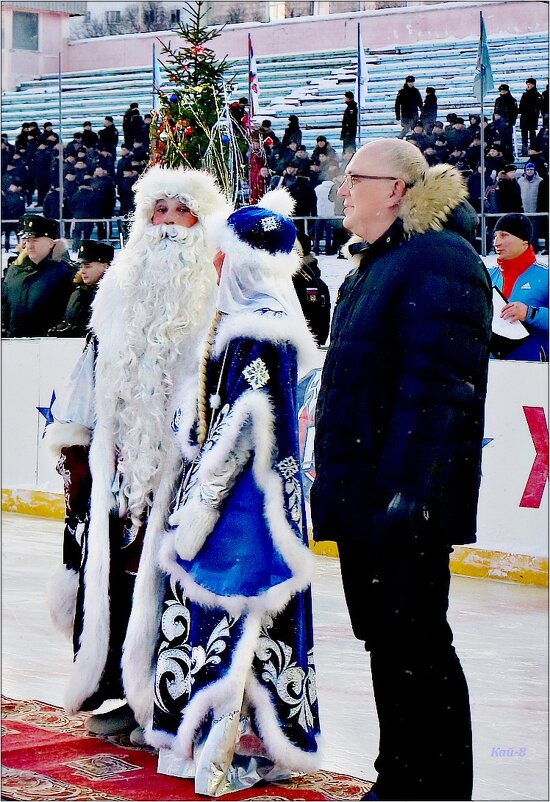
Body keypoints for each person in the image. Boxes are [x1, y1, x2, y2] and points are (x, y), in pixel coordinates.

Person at [311, 139, 492, 801]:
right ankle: (400, 777)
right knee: (388, 644)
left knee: (417, 645)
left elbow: (439, 388)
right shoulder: (374, 265)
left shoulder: (437, 260)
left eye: (355, 178)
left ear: (396, 189)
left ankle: (435, 788)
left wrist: (407, 494)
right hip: (367, 499)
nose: (343, 189)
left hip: (403, 505)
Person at [144, 188, 321, 796]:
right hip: (275, 502)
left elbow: (239, 429)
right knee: (258, 624)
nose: (214, 266)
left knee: (229, 621)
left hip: (241, 509)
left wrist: (195, 514)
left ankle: (224, 751)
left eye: (223, 255)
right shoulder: (280, 325)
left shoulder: (255, 332)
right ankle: (244, 744)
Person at [45, 166, 230, 740]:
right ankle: (125, 694)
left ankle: (173, 706)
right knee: (119, 580)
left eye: (182, 213)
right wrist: (76, 444)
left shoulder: (220, 291)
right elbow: (91, 366)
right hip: (120, 466)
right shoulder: (117, 286)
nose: (169, 226)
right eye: (159, 212)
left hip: (187, 470)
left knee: (175, 587)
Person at [2, 214, 75, 337]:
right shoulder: (14, 271)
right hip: (12, 346)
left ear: (51, 243)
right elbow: (4, 305)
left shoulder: (65, 273)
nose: (29, 246)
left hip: (48, 347)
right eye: (27, 240)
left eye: (35, 240)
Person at [489, 213, 548, 361]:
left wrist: (529, 313)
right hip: (492, 369)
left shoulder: (545, 276)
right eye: (495, 236)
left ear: (524, 240)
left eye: (504, 235)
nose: (496, 242)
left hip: (532, 370)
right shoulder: (486, 275)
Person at [48, 240, 114, 337]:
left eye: (87, 266)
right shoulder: (76, 291)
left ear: (105, 266)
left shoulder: (113, 295)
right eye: (81, 267)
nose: (82, 271)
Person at [519, 79, 542, 156]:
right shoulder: (524, 95)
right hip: (524, 118)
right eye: (527, 84)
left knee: (532, 135)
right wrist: (519, 112)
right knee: (524, 135)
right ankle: (524, 150)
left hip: (532, 118)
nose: (528, 85)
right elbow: (521, 106)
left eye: (529, 84)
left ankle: (533, 149)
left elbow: (538, 107)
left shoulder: (537, 95)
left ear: (533, 85)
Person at [341, 90, 358, 156]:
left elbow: (350, 121)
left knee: (349, 147)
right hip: (347, 132)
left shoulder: (352, 108)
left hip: (349, 132)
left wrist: (347, 131)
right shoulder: (350, 107)